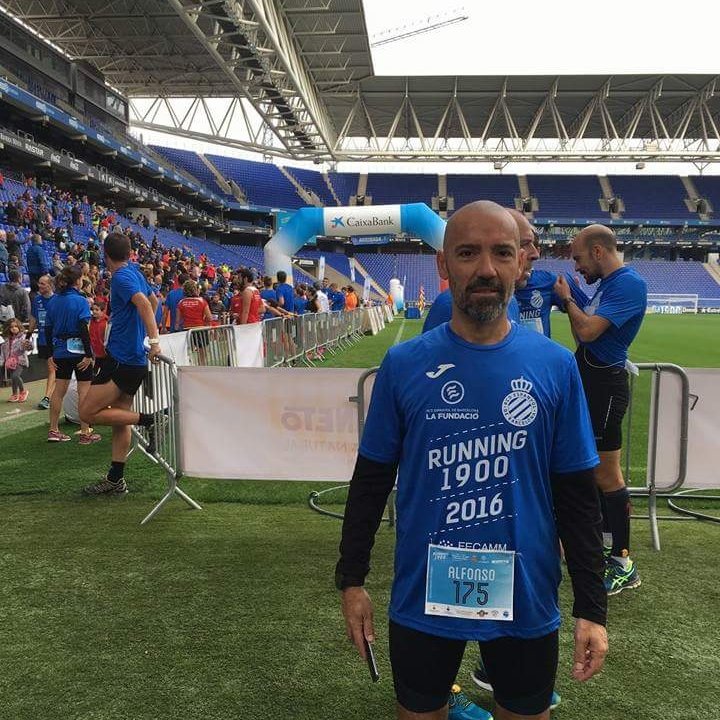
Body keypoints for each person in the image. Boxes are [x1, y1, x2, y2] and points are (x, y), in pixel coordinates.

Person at [337, 201, 608, 720]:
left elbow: (577, 496)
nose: (486, 269)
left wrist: (592, 609)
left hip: (526, 594)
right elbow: (371, 481)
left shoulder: (555, 366)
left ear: (519, 262)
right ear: (443, 265)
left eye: (501, 253)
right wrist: (352, 581)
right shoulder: (404, 364)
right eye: (467, 253)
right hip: (422, 593)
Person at [553, 224, 647, 596]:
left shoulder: (629, 284)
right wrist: (572, 295)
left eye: (578, 258)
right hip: (592, 384)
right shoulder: (608, 285)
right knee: (589, 470)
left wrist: (568, 299)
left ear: (597, 251)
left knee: (607, 475)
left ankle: (623, 563)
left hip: (605, 388)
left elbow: (588, 332)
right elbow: (585, 328)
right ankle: (597, 546)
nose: (577, 267)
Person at [79, 232, 162, 495]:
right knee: (119, 418)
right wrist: (139, 332)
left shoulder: (122, 277)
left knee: (86, 413)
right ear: (129, 253)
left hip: (123, 360)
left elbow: (145, 305)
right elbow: (154, 301)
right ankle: (116, 480)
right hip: (131, 358)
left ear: (105, 255)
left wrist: (154, 341)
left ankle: (151, 420)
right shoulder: (134, 272)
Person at [45, 265, 101, 445]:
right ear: (77, 281)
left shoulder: (53, 301)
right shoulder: (80, 301)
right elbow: (83, 328)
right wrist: (89, 354)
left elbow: (47, 329)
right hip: (79, 350)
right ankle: (85, 433)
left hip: (60, 350)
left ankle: (53, 430)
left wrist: (50, 354)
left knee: (58, 391)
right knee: (84, 391)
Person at [28, 274, 56, 410]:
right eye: (39, 283)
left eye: (43, 283)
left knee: (52, 368)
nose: (39, 286)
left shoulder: (57, 300)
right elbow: (33, 319)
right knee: (53, 369)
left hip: (56, 340)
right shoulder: (37, 300)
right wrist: (27, 337)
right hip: (43, 340)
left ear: (50, 285)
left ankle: (47, 397)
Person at [1, 318, 32, 402]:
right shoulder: (6, 339)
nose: (14, 328)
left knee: (15, 376)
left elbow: (29, 347)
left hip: (20, 361)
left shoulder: (23, 337)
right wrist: (2, 361)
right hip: (9, 362)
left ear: (19, 327)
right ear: (8, 328)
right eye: (11, 327)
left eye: (15, 326)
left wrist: (27, 345)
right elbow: (3, 351)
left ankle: (23, 391)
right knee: (13, 379)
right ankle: (14, 394)